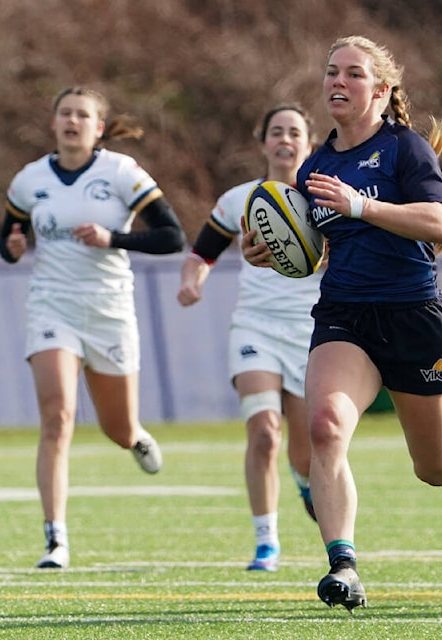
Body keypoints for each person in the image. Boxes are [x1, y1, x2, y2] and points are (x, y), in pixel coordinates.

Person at [243, 35, 442, 611]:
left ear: (382, 89)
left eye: (352, 74)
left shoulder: (406, 149)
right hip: (344, 313)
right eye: (330, 72)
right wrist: (275, 250)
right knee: (323, 427)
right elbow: (318, 247)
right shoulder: (317, 163)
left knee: (436, 469)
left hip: (413, 315)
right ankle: (343, 565)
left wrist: (362, 205)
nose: (337, 82)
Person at [0, 87, 185, 569]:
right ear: (54, 122)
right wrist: (12, 248)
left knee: (117, 428)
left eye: (83, 115)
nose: (72, 121)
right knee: (58, 416)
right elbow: (8, 236)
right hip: (51, 307)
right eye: (65, 113)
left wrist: (113, 238)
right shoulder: (30, 179)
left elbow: (171, 237)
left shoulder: (121, 172)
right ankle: (55, 538)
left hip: (108, 310)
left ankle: (135, 437)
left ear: (98, 127)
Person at [177, 105, 322, 572]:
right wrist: (192, 280)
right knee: (263, 433)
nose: (285, 139)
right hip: (255, 326)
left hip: (309, 330)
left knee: (305, 450)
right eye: (276, 131)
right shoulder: (240, 199)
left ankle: (304, 482)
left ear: (309, 142)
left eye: (294, 131)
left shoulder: (324, 196)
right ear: (262, 142)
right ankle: (266, 543)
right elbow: (202, 252)